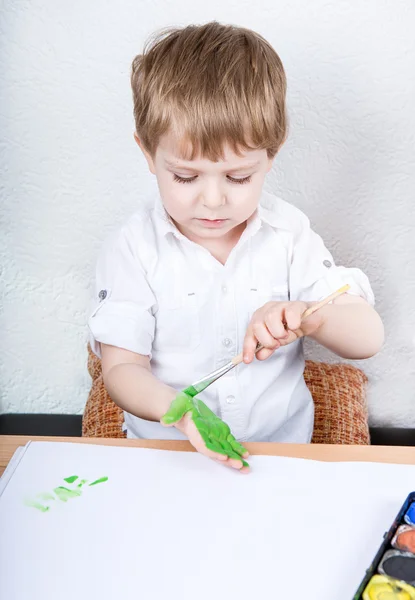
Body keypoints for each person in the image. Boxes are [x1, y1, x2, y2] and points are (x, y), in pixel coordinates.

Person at [88, 22, 384, 472]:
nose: (212, 199)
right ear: (148, 154)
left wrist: (310, 314)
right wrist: (182, 414)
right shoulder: (132, 248)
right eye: (185, 177)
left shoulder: (287, 233)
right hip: (169, 459)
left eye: (238, 177)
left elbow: (368, 337)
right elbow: (121, 372)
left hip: (280, 457)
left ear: (272, 154)